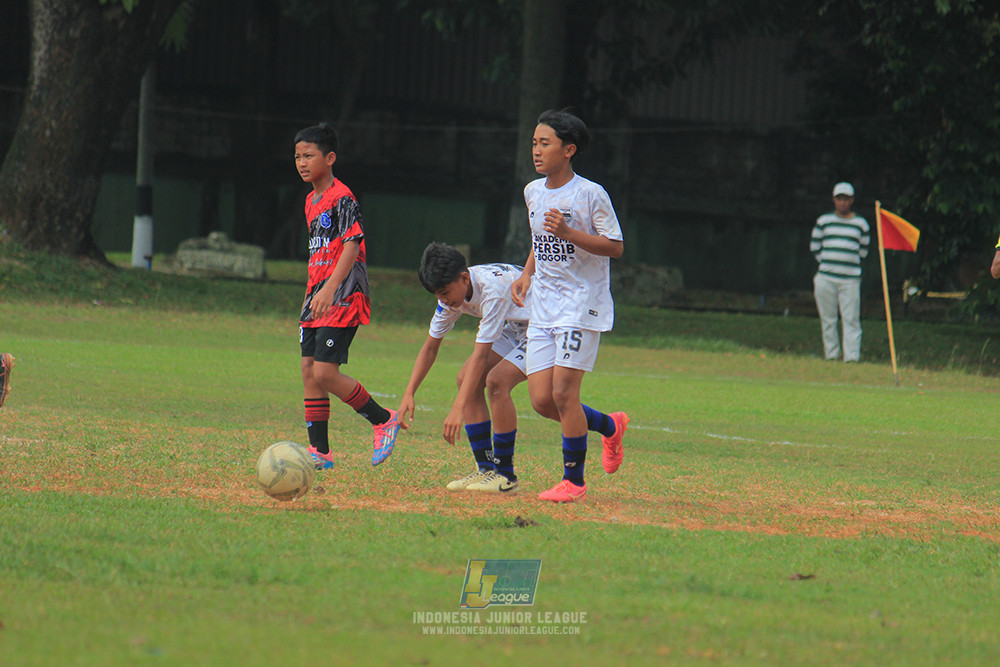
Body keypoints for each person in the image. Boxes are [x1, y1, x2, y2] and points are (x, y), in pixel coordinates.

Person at [399, 241, 627, 495]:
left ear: (464, 279)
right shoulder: (452, 297)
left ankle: (505, 475)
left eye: (445, 292)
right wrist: (409, 392)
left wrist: (457, 409)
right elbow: (430, 347)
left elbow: (481, 355)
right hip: (516, 325)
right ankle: (485, 469)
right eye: (437, 295)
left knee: (499, 383)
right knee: (467, 380)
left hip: (543, 325)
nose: (443, 300)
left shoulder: (492, 290)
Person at [510, 109, 629, 503]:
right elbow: (538, 237)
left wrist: (570, 232)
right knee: (543, 400)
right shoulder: (533, 191)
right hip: (543, 305)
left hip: (582, 304)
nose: (536, 150)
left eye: (545, 143)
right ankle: (609, 426)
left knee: (564, 393)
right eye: (534, 143)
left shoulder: (590, 193)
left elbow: (615, 246)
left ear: (569, 149)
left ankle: (573, 481)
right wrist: (527, 273)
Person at [293, 123, 400, 469]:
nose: (302, 162)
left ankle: (383, 419)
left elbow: (351, 245)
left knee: (325, 372)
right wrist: (314, 291)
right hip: (317, 298)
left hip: (342, 296)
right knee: (310, 370)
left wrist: (329, 289)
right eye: (297, 156)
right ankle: (319, 452)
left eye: (309, 155)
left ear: (330, 157)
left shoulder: (343, 197)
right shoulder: (311, 200)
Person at [810, 182, 870, 363]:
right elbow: (815, 248)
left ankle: (852, 357)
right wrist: (830, 264)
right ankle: (832, 354)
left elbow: (863, 251)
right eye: (839, 199)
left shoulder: (860, 224)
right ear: (834, 200)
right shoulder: (823, 221)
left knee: (851, 318)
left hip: (850, 279)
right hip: (825, 277)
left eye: (846, 199)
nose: (842, 203)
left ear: (852, 200)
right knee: (828, 318)